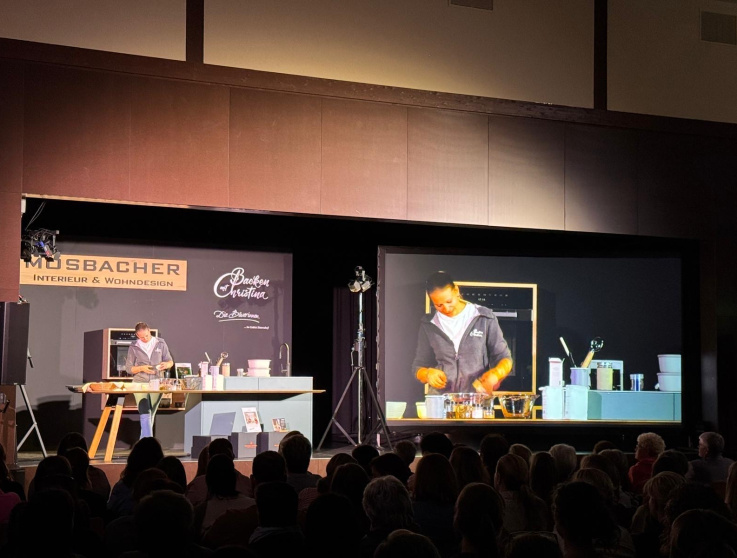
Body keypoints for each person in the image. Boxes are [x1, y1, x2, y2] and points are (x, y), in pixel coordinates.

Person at [412, 271, 512, 394]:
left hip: (477, 400)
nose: (446, 309)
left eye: (449, 301)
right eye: (439, 305)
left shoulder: (484, 318)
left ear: (456, 291)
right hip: (441, 401)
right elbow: (418, 366)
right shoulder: (428, 324)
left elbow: (505, 358)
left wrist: (496, 374)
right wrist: (427, 374)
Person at [124, 322, 173, 438]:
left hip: (157, 382)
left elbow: (170, 361)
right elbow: (129, 368)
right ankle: (148, 443)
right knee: (145, 412)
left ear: (149, 331)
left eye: (146, 335)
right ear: (137, 335)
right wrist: (142, 368)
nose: (145, 339)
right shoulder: (134, 346)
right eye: (142, 337)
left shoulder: (160, 343)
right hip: (140, 382)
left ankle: (144, 442)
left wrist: (166, 365)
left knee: (151, 413)